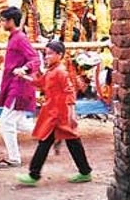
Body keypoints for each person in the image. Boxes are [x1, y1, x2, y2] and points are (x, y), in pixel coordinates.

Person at [15, 40, 93, 185]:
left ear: (60, 55)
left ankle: (34, 175)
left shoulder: (61, 72)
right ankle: (84, 171)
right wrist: (24, 76)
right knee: (70, 142)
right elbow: (40, 83)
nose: (46, 57)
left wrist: (71, 113)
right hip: (54, 112)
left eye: (50, 54)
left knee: (49, 142)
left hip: (59, 113)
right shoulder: (52, 71)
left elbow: (70, 92)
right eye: (46, 53)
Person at [0, 6, 40, 168]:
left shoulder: (20, 38)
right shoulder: (14, 37)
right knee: (20, 123)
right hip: (15, 85)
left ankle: (14, 158)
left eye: (3, 20)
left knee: (6, 122)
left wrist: (24, 69)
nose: (1, 23)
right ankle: (51, 133)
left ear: (11, 21)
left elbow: (35, 59)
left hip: (19, 87)